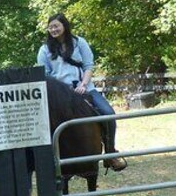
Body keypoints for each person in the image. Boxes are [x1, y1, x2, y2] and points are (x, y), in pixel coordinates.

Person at [37, 13, 127, 171]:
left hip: (84, 89)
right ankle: (45, 158)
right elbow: (44, 74)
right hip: (59, 96)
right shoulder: (45, 50)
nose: (53, 29)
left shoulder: (79, 43)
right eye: (50, 27)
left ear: (64, 26)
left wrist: (84, 84)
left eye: (56, 26)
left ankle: (110, 153)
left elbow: (88, 66)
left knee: (108, 113)